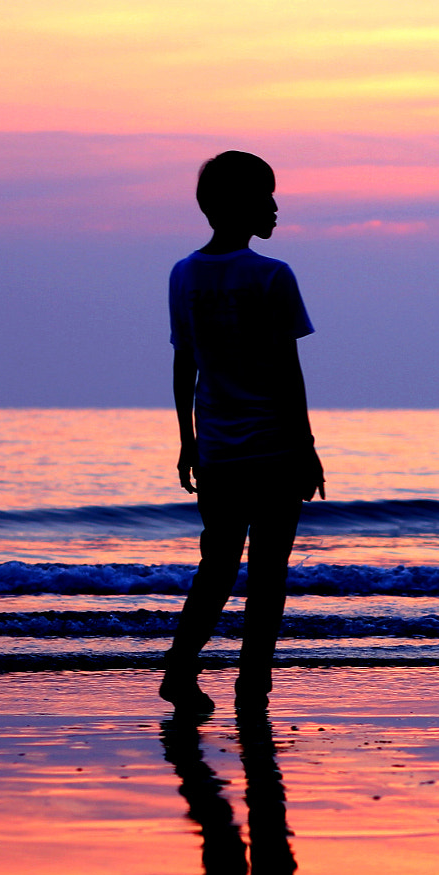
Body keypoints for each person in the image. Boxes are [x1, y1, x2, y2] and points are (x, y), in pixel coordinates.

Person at [159, 151, 324, 716]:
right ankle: (253, 686)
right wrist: (307, 447)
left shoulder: (184, 273)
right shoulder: (272, 275)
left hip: (220, 449)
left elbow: (186, 366)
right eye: (266, 196)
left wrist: (188, 440)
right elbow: (286, 370)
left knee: (219, 564)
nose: (276, 207)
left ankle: (181, 669)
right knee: (268, 572)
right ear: (239, 205)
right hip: (274, 445)